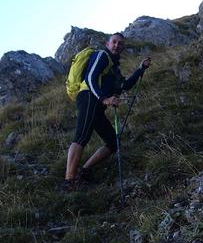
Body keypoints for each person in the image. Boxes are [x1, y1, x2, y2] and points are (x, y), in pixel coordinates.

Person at [64, 33, 151, 189]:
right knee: (82, 137)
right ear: (108, 43)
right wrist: (104, 98)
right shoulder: (102, 55)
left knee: (112, 143)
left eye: (120, 44)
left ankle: (84, 171)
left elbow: (125, 86)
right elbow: (91, 78)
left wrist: (140, 69)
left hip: (97, 104)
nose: (117, 45)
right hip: (89, 97)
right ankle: (69, 181)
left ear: (122, 48)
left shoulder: (114, 68)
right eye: (114, 42)